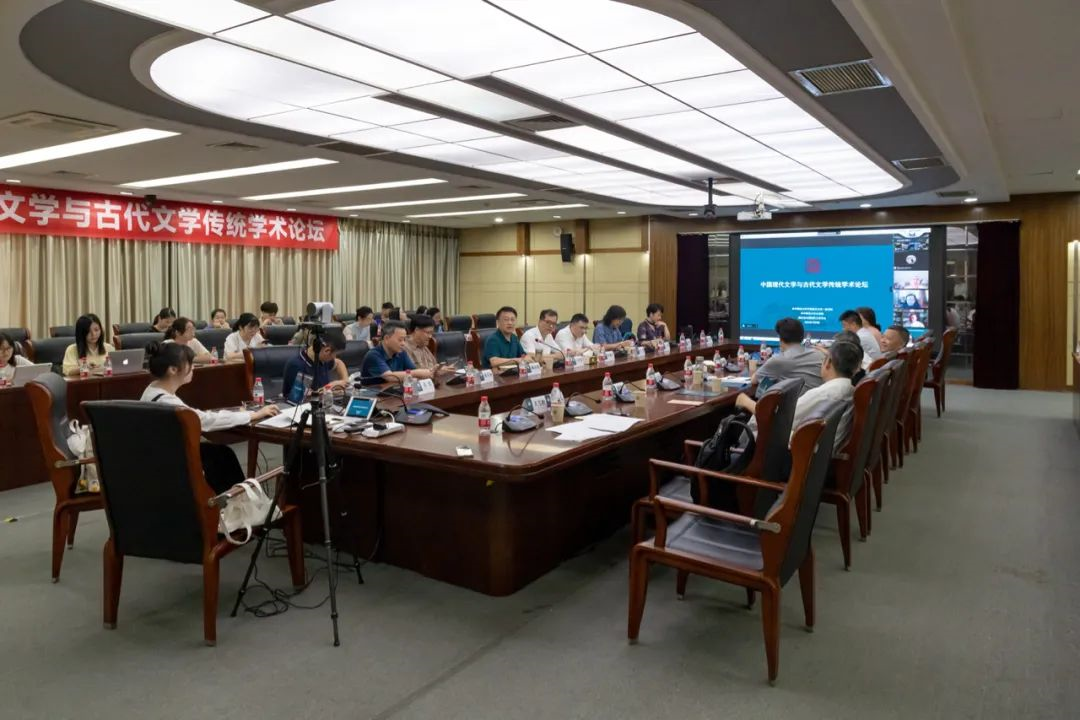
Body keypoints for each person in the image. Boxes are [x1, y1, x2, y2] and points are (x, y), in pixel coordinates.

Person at [139, 342, 278, 493]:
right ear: (173, 370)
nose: (193, 367)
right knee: (222, 457)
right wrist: (254, 414)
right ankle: (237, 502)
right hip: (176, 461)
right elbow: (206, 420)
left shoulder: (152, 389)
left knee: (220, 453)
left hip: (163, 455)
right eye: (190, 363)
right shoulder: (168, 402)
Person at [737, 337, 862, 451]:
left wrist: (746, 402)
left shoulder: (824, 394)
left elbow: (780, 419)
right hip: (819, 455)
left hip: (792, 455)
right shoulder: (850, 390)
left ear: (828, 363)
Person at [752, 318, 823, 394]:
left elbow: (754, 381)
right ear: (802, 337)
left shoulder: (779, 360)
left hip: (796, 401)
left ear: (780, 338)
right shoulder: (820, 355)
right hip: (818, 400)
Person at [359, 320, 434, 385]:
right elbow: (390, 377)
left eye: (404, 340)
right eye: (400, 340)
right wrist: (417, 373)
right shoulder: (373, 355)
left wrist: (431, 372)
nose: (403, 343)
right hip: (373, 394)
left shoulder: (401, 353)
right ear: (386, 338)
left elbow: (413, 370)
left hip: (394, 393)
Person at [281, 330, 350, 398]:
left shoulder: (323, 359)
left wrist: (345, 382)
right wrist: (330, 387)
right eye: (335, 354)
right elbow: (304, 396)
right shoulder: (297, 365)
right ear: (327, 351)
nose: (334, 357)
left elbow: (339, 363)